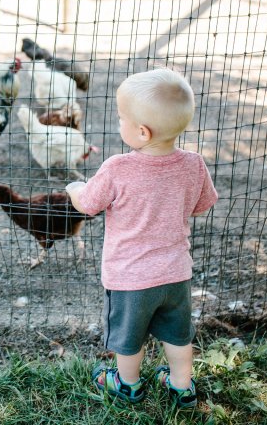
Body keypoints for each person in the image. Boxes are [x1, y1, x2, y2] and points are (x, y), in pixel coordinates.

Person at [66, 68, 217, 410]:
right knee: (178, 333)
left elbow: (89, 204)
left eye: (121, 118)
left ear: (142, 131)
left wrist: (75, 188)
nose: (119, 123)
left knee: (128, 337)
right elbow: (203, 204)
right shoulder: (193, 164)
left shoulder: (117, 167)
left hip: (131, 277)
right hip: (176, 273)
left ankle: (128, 385)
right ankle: (181, 386)